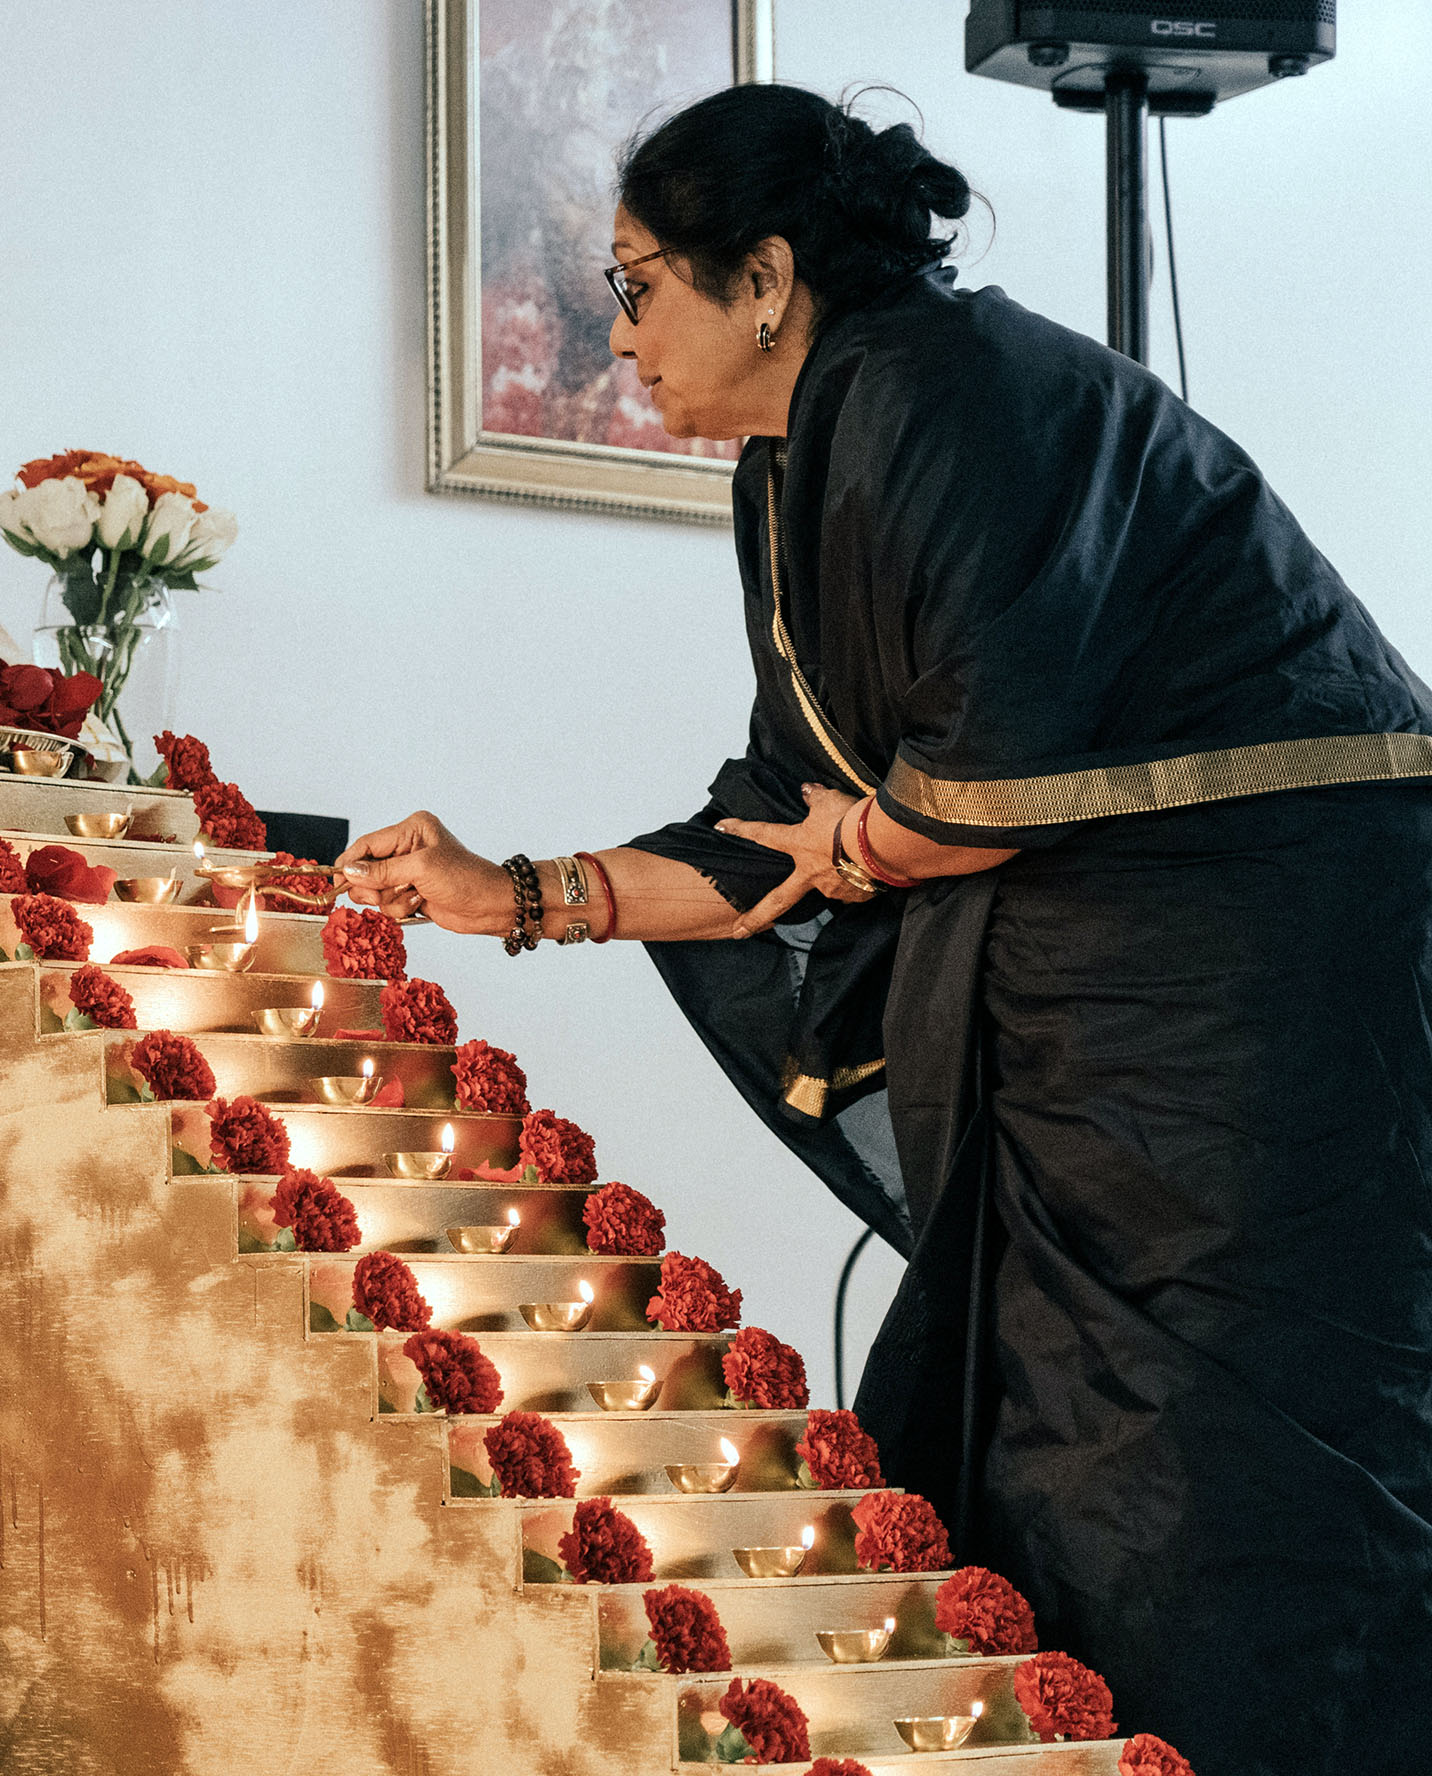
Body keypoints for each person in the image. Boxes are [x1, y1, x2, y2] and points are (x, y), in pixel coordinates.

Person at [340, 82, 1432, 1773]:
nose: (614, 331)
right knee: (1034, 1454)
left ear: (761, 275)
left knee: (1217, 1476)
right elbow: (794, 813)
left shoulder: (944, 389)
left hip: (1245, 986)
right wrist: (521, 895)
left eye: (636, 285)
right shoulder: (802, 450)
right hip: (1079, 998)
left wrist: (867, 837)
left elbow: (976, 781)